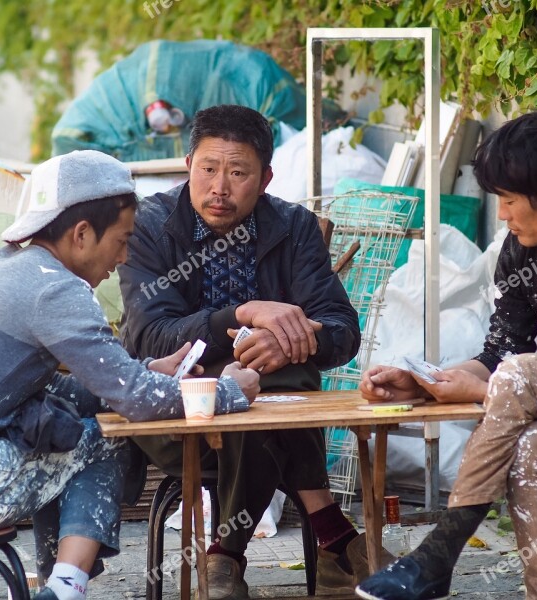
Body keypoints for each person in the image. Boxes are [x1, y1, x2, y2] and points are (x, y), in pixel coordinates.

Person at [0, 150, 259, 600]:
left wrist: (143, 371)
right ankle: (65, 588)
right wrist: (226, 392)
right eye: (123, 240)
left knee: (62, 425)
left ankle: (53, 577)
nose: (124, 256)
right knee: (105, 440)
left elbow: (79, 388)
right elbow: (137, 402)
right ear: (82, 234)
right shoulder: (57, 289)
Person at [118, 104, 391, 599]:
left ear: (265, 178)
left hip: (275, 409)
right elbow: (148, 336)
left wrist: (290, 338)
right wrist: (242, 317)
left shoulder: (294, 227)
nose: (219, 187)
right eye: (208, 169)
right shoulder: (151, 226)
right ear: (187, 165)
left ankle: (224, 556)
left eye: (238, 172)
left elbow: (342, 330)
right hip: (176, 411)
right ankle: (335, 537)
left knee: (275, 375)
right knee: (255, 382)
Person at [355, 111, 537, 600]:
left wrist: (490, 387)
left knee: (528, 377)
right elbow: (501, 353)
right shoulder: (522, 251)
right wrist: (426, 381)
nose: (501, 215)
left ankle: (439, 553)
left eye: (509, 200)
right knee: (531, 443)